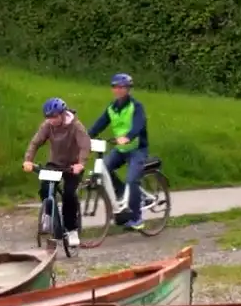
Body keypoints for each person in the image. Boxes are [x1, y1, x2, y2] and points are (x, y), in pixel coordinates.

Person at [86, 73, 150, 230]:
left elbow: (138, 125)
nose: (119, 90)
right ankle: (125, 194)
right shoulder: (111, 108)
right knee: (103, 169)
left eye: (122, 87)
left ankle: (137, 218)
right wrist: (85, 138)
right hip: (120, 149)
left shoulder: (136, 106)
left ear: (128, 89)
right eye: (115, 87)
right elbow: (98, 125)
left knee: (131, 180)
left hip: (137, 149)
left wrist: (128, 136)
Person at [24, 97, 87, 248]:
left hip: (73, 165)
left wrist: (81, 163)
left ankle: (72, 230)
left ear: (63, 114)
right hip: (55, 163)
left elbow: (85, 146)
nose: (51, 120)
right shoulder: (47, 126)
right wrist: (28, 160)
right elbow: (35, 142)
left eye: (54, 117)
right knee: (45, 189)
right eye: (48, 117)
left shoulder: (76, 126)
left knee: (68, 194)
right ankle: (50, 216)